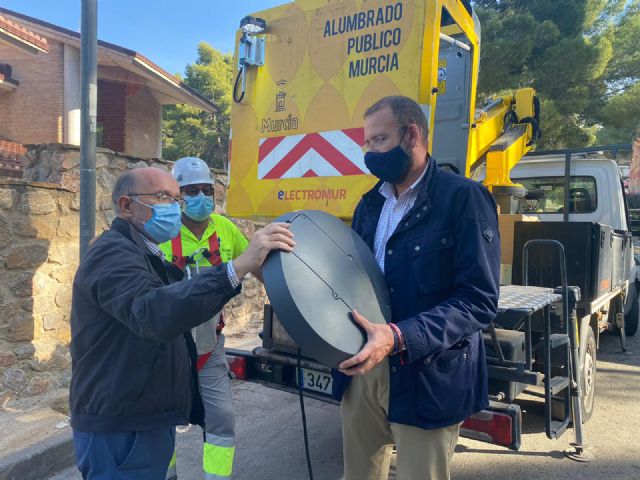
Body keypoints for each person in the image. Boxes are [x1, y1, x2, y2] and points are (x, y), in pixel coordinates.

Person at [69, 167, 294, 479]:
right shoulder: (112, 254)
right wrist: (235, 268)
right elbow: (153, 314)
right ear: (126, 205)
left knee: (219, 420)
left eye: (176, 199)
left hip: (145, 414)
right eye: (163, 197)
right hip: (123, 425)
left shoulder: (143, 251)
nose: (175, 207)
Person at [333, 96, 500, 480]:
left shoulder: (462, 199)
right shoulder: (370, 204)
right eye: (367, 143)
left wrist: (397, 337)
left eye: (378, 140)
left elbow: (479, 300)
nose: (370, 152)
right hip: (364, 368)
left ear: (412, 135)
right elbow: (354, 279)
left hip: (428, 372)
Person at [158, 157, 247, 480]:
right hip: (167, 348)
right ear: (178, 196)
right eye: (192, 190)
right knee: (163, 418)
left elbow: (257, 264)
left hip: (210, 346)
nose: (201, 197)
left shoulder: (225, 230)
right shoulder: (161, 231)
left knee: (221, 416)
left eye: (207, 190)